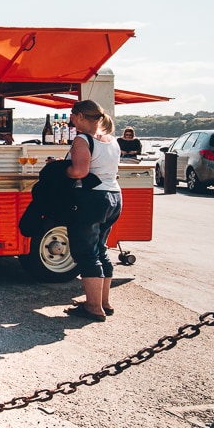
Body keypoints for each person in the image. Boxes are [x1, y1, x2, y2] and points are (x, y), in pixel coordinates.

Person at [65, 99, 122, 322]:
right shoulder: (112, 140)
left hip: (92, 199)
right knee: (101, 249)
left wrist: (60, 168)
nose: (70, 118)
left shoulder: (82, 139)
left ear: (80, 116)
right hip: (114, 196)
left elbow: (79, 171)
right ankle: (104, 302)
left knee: (87, 253)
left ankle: (93, 308)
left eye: (72, 115)